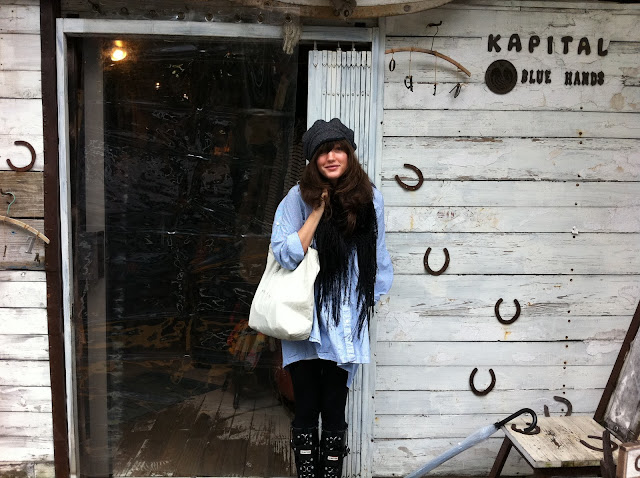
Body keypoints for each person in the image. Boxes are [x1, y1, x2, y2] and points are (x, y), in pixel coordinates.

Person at [271, 118, 394, 478]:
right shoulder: (296, 198)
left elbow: (379, 259)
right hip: (304, 318)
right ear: (313, 159)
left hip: (345, 319)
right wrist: (317, 211)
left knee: (335, 407)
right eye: (323, 151)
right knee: (306, 406)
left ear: (349, 154)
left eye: (339, 148)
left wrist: (365, 301)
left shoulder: (371, 199)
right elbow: (285, 254)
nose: (332, 156)